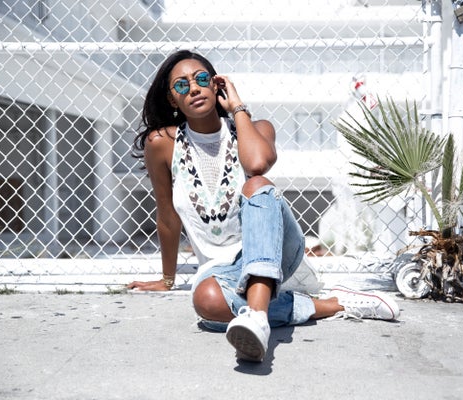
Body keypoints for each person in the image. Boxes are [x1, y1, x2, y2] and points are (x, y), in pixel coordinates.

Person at [128, 50, 400, 363]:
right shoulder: (162, 143)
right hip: (221, 268)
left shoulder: (258, 129)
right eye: (181, 85)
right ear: (172, 99)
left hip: (277, 249)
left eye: (202, 79)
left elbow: (257, 164)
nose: (193, 88)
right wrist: (167, 280)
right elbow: (167, 216)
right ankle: (332, 304)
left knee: (256, 184)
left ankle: (257, 317)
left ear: (217, 85)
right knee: (207, 302)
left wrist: (237, 108)